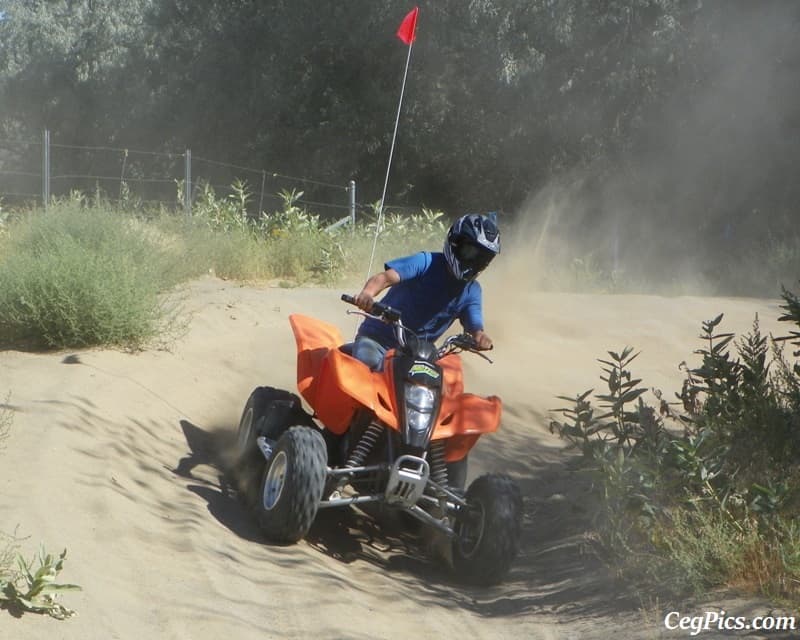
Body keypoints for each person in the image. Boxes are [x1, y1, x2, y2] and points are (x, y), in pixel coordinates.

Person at [351, 212, 500, 370]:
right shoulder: (426, 262)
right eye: (471, 252)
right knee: (366, 371)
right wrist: (367, 294)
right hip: (377, 341)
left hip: (416, 356)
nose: (475, 262)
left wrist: (480, 337)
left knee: (443, 390)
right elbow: (384, 278)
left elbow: (475, 325)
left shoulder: (472, 291)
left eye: (483, 258)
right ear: (455, 242)